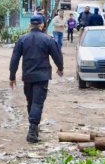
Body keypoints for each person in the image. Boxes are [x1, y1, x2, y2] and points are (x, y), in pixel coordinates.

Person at [9, 14, 64, 143]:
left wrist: (12, 76)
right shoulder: (48, 40)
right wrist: (60, 68)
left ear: (29, 25)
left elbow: (14, 59)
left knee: (31, 102)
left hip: (27, 76)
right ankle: (32, 131)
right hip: (42, 76)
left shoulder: (22, 40)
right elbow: (57, 55)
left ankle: (33, 127)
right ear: (42, 25)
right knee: (37, 103)